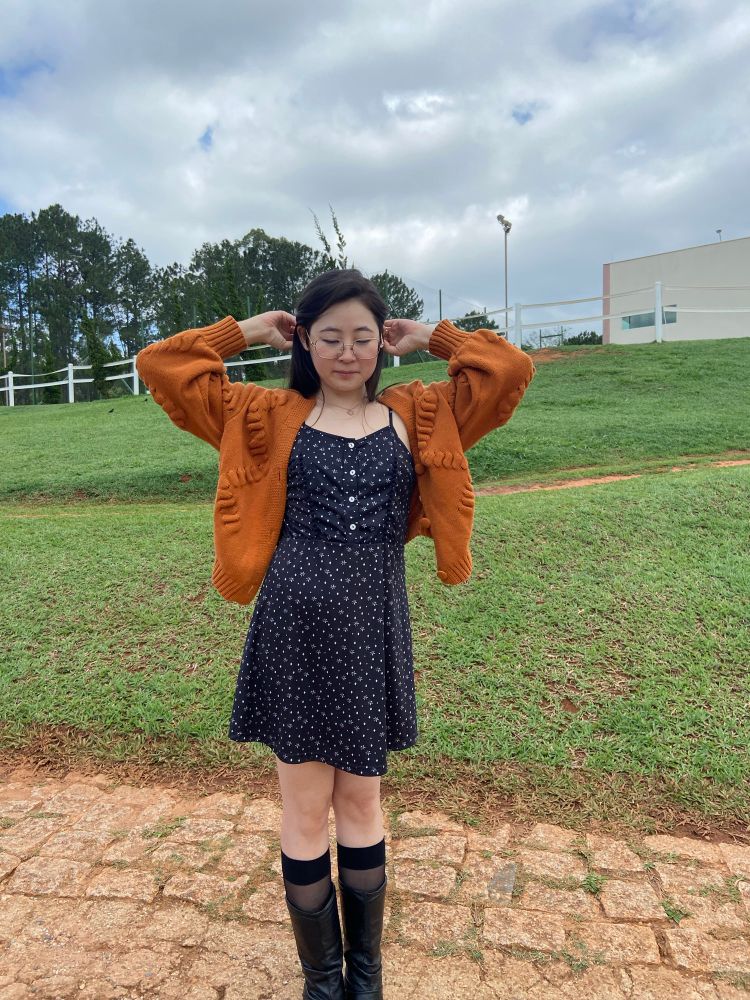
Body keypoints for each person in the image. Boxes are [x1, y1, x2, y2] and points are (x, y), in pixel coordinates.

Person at [135, 267, 535, 999]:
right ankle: (323, 980)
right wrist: (248, 331)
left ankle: (367, 975)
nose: (347, 353)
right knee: (305, 808)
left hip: (374, 627)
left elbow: (508, 372)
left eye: (361, 337)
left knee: (363, 804)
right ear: (306, 342)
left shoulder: (420, 413)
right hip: (293, 625)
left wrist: (435, 338)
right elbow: (161, 365)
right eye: (329, 337)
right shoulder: (262, 413)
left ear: (382, 342)